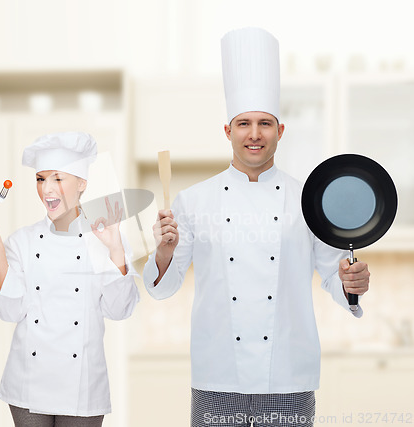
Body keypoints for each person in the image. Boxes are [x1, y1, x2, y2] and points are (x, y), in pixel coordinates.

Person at [143, 27, 370, 427]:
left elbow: (335, 278)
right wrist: (162, 253)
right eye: (243, 123)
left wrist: (352, 284)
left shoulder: (310, 199)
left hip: (288, 377)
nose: (254, 134)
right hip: (218, 377)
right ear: (227, 131)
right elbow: (165, 286)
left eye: (265, 123)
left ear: (280, 132)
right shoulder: (193, 200)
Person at [0, 131, 139, 427]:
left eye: (58, 178)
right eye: (40, 179)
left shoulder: (108, 236)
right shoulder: (21, 241)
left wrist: (115, 249)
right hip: (28, 381)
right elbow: (11, 311)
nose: (47, 189)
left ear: (82, 184)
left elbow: (119, 310)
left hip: (82, 384)